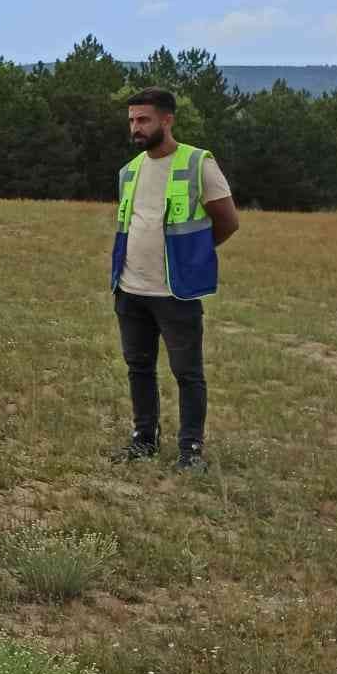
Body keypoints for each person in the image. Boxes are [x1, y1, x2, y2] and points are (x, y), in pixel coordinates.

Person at [111, 87, 239, 471]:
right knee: (139, 368)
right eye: (132, 120)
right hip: (130, 289)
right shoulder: (129, 170)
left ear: (167, 120)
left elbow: (228, 221)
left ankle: (190, 451)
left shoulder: (198, 162)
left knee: (187, 373)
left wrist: (194, 256)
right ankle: (144, 440)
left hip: (175, 291)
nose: (136, 127)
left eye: (143, 119)